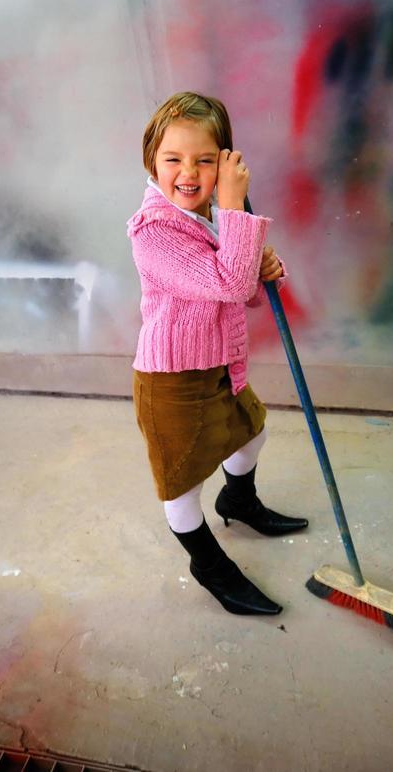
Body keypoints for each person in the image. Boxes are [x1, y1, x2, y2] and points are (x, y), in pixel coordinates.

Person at [128, 91, 308, 616]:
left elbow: (239, 289)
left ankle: (239, 501)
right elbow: (228, 282)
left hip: (218, 366)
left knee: (253, 432)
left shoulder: (205, 216)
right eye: (173, 159)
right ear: (151, 162)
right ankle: (209, 565)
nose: (189, 172)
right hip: (173, 380)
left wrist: (261, 267)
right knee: (182, 484)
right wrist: (234, 211)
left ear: (224, 163)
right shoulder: (154, 230)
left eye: (206, 160)